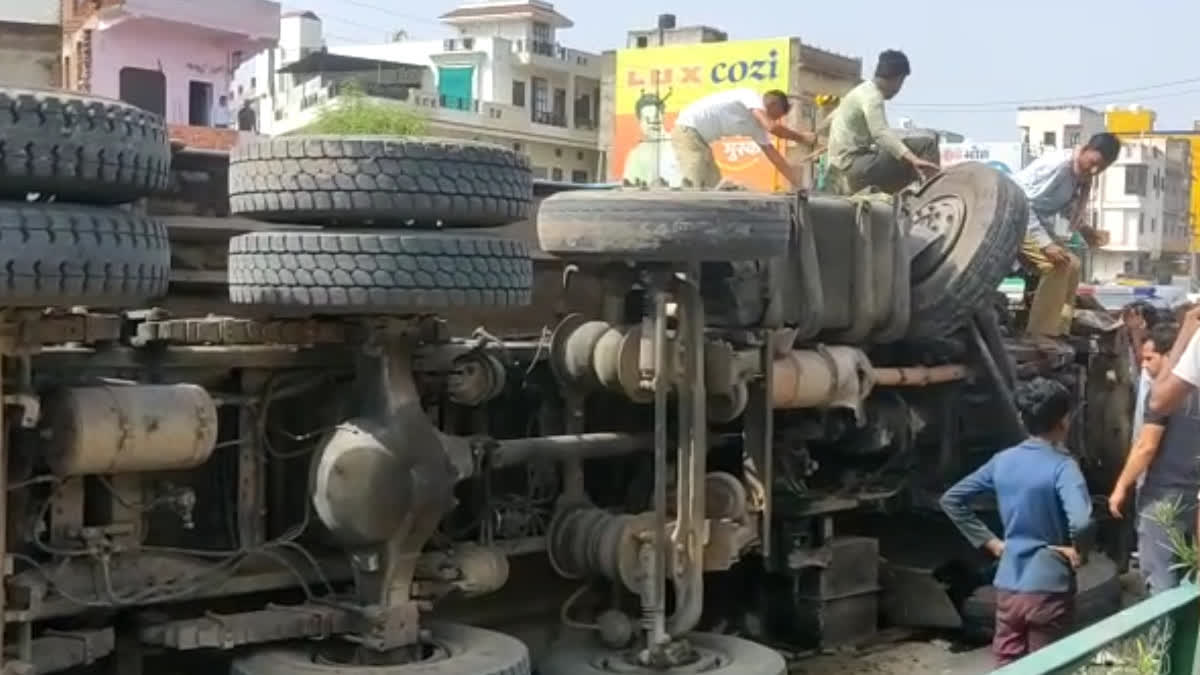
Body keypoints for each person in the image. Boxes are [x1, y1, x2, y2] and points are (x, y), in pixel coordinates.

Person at [940, 377, 1092, 666]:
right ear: (1064, 421)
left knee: (1008, 666)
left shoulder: (1003, 461)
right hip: (1049, 588)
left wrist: (994, 544)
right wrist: (1078, 552)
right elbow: (1082, 522)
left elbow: (952, 499)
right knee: (1049, 666)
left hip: (1009, 585)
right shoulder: (1063, 466)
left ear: (1023, 419)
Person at [1108, 323, 1199, 594]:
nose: (1145, 366)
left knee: (1161, 581)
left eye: (1151, 358)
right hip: (1194, 495)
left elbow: (1146, 447)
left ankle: (1162, 635)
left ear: (1171, 356)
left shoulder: (1164, 395)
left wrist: (1120, 486)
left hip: (1163, 498)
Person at [1015, 133, 1121, 338]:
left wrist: (1085, 230)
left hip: (1035, 221)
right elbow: (1023, 202)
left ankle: (1059, 329)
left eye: (1101, 168)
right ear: (1086, 149)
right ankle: (1040, 332)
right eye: (1093, 162)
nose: (1094, 170)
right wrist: (1046, 245)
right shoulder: (1058, 166)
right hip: (1016, 215)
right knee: (1058, 264)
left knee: (1073, 265)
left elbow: (1065, 207)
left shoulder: (1077, 176)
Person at [824, 49, 941, 195]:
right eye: (901, 82)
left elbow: (832, 119)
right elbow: (880, 133)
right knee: (926, 144)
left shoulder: (860, 91)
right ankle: (936, 196)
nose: (899, 89)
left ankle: (915, 194)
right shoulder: (873, 97)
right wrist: (913, 158)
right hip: (853, 170)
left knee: (905, 155)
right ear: (897, 79)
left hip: (842, 169)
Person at [670, 88, 811, 188]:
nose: (777, 119)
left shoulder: (757, 127)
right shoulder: (751, 96)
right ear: (773, 104)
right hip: (687, 130)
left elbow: (776, 159)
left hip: (701, 141)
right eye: (778, 115)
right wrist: (802, 138)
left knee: (714, 186)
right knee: (694, 182)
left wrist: (798, 184)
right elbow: (773, 128)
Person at [1122, 301, 1162, 443]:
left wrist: (1135, 333)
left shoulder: (1152, 345)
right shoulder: (1132, 339)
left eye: (1130, 317)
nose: (1125, 321)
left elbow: (1142, 366)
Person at [622, 92, 680, 187]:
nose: (654, 123)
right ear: (639, 122)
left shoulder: (679, 146)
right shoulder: (636, 155)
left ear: (663, 117)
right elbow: (630, 187)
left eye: (656, 118)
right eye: (648, 119)